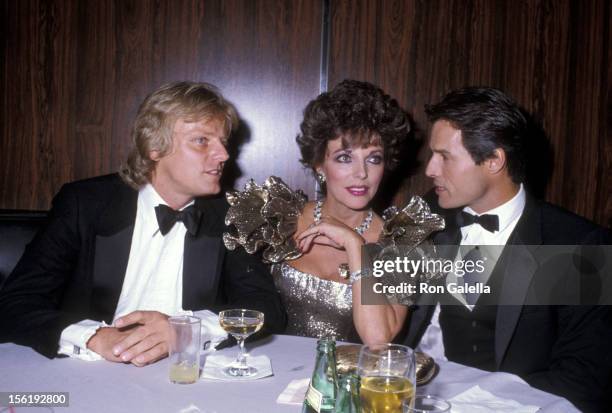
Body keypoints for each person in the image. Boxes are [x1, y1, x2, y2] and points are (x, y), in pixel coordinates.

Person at [0, 81, 286, 366]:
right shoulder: (85, 204)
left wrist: (185, 331)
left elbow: (266, 308)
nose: (224, 155)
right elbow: (15, 304)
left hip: (187, 375)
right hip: (90, 370)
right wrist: (94, 336)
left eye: (223, 142)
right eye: (202, 140)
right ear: (154, 147)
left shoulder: (230, 214)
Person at [405, 86, 612, 412]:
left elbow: (582, 382)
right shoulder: (427, 217)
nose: (430, 169)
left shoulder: (578, 245)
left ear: (493, 160)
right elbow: (390, 323)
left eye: (444, 157)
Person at [224, 79, 443, 344]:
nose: (361, 174)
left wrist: (355, 246)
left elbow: (378, 339)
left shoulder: (401, 243)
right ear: (318, 164)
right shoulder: (275, 219)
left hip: (349, 383)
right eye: (344, 158)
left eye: (374, 158)